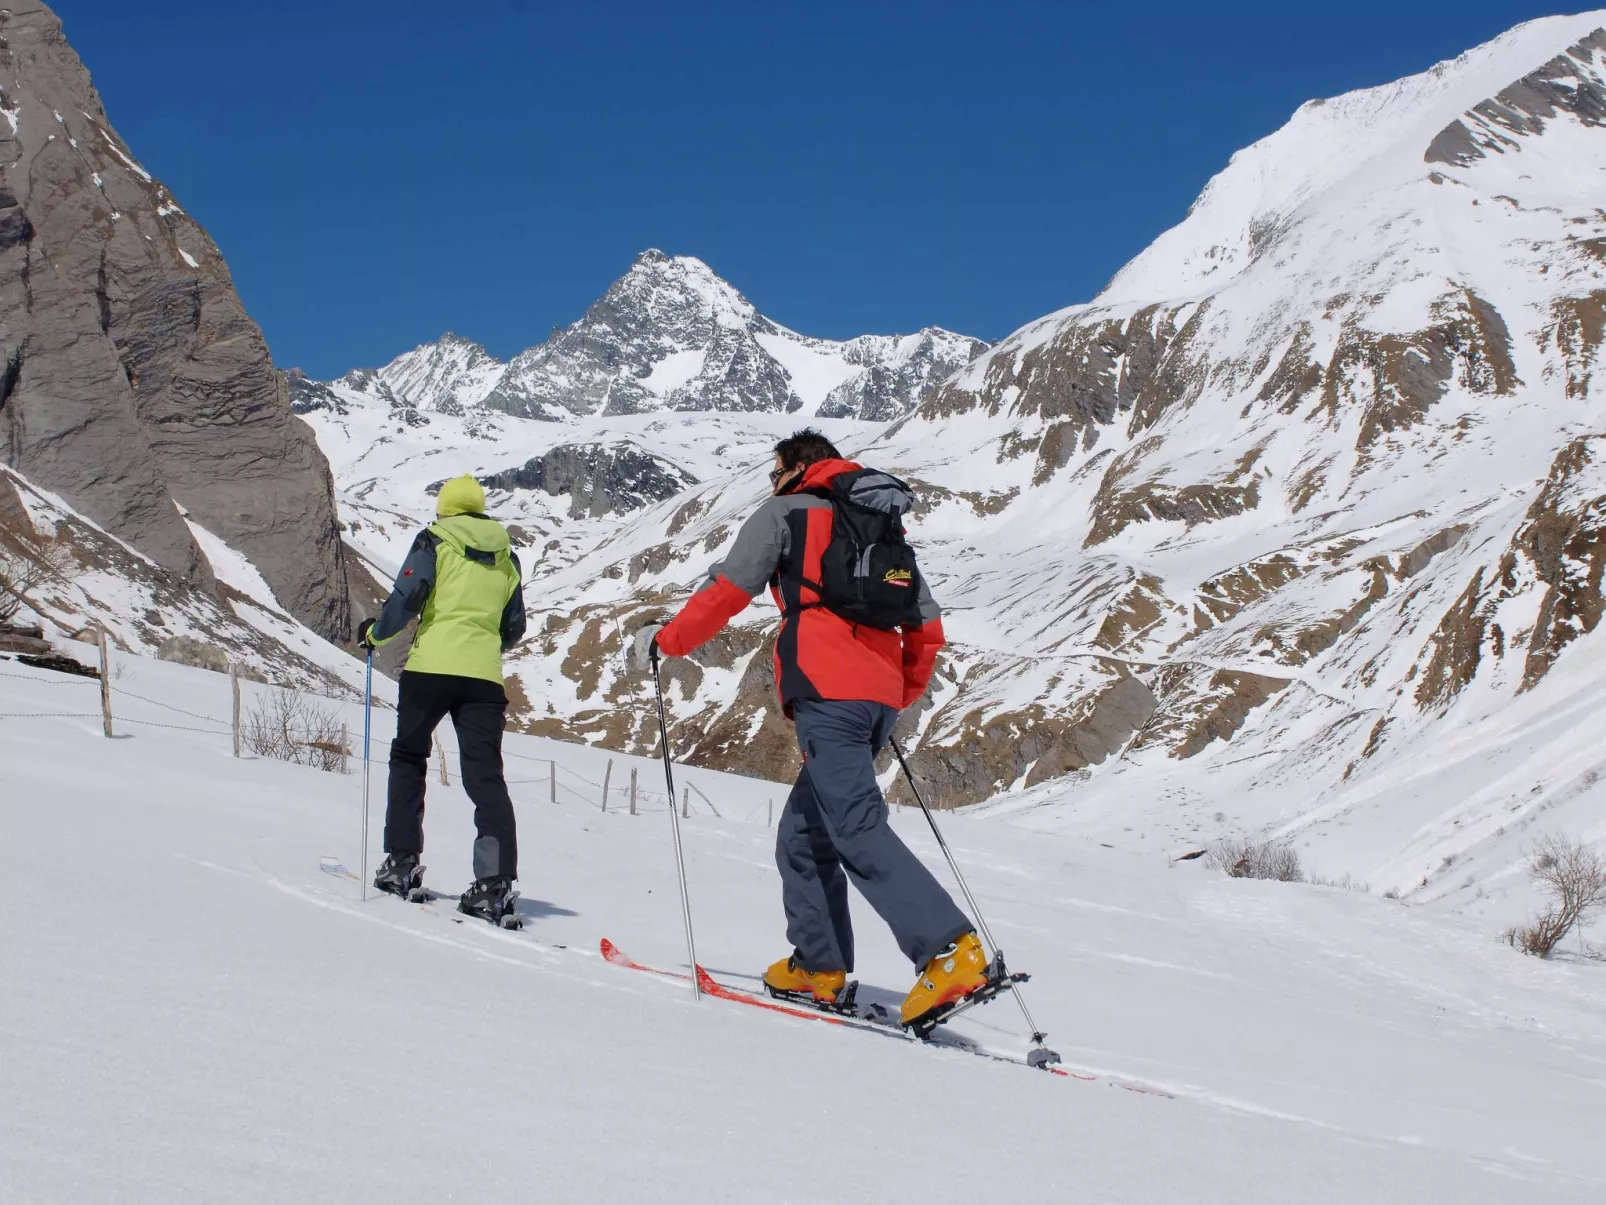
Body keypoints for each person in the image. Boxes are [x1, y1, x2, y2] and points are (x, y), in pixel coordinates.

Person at [628, 429, 989, 1028]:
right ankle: (818, 967)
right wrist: (897, 692)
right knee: (803, 837)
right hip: (875, 700)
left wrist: (665, 642)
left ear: (797, 468)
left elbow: (729, 589)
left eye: (774, 473)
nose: (772, 483)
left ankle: (949, 951)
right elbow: (926, 627)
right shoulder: (881, 523)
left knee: (854, 825)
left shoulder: (787, 513)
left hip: (827, 692)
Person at [357, 474, 527, 925]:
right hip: (483, 678)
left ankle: (401, 864)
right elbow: (514, 628)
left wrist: (375, 634)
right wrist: (480, 645)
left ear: (446, 509)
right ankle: (494, 887)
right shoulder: (507, 555)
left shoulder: (434, 540)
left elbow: (407, 596)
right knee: (486, 777)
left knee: (409, 757)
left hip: (430, 668)